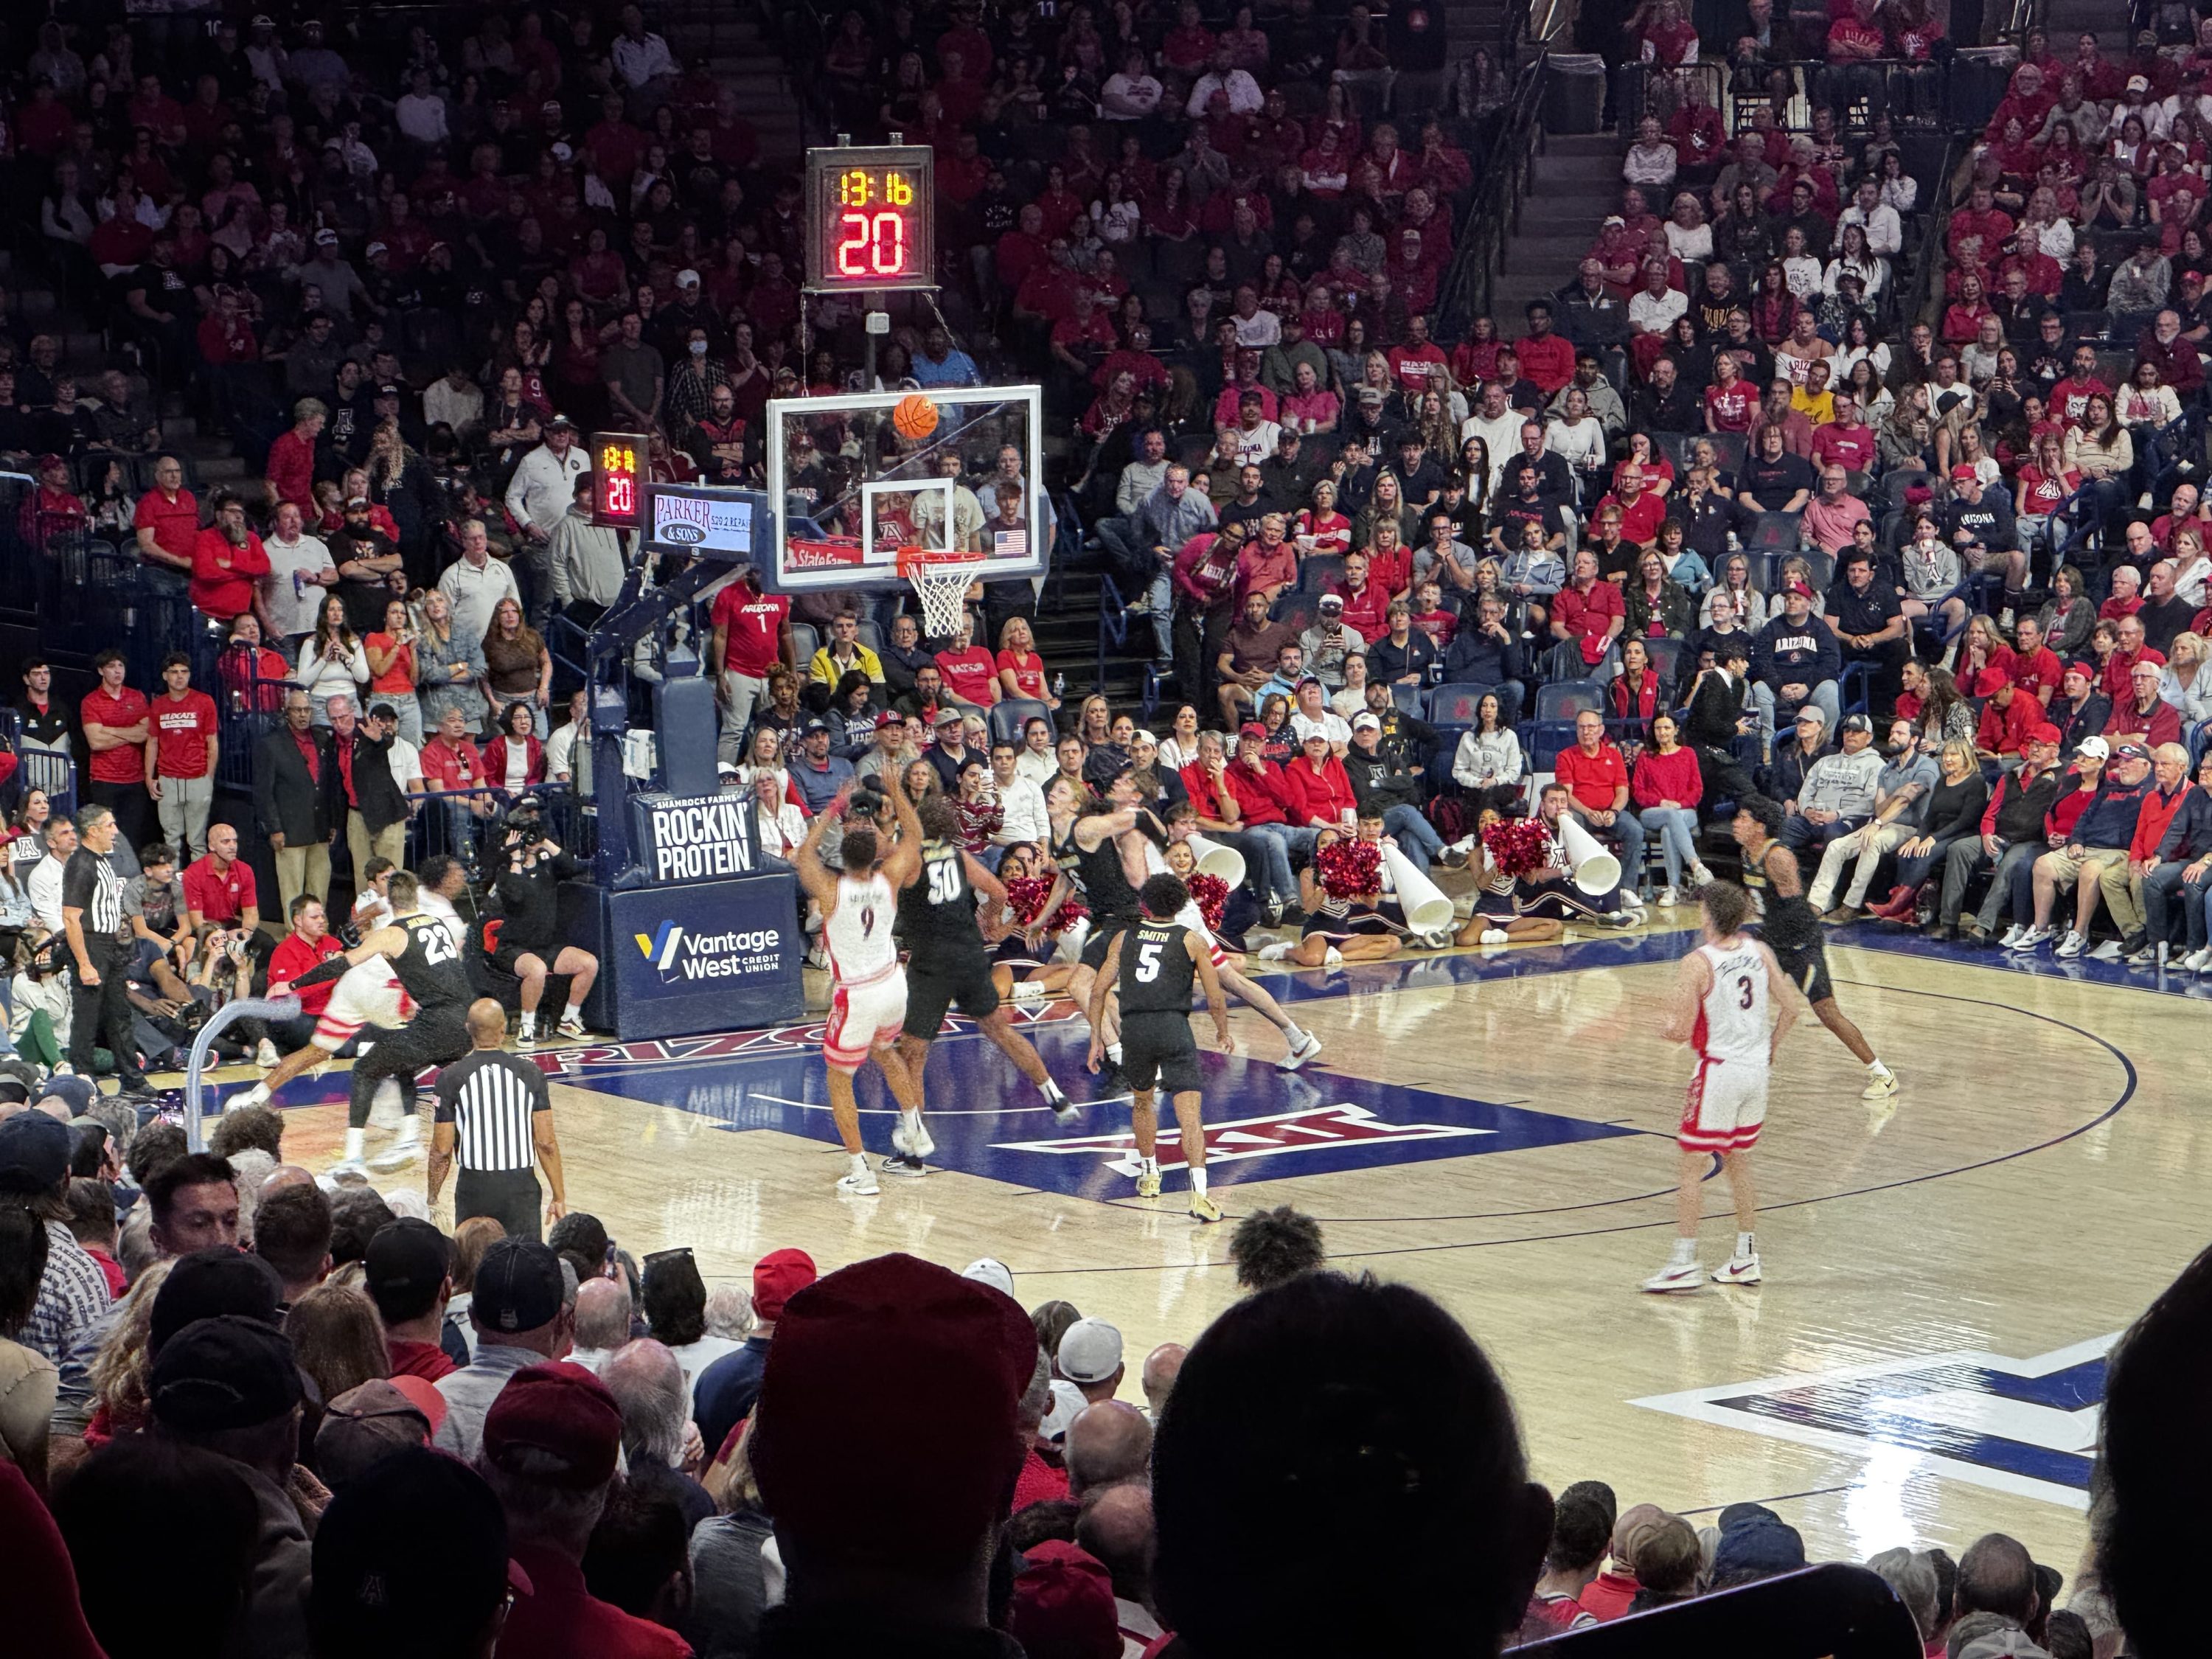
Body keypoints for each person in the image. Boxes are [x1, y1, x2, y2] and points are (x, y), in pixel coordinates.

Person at [893, 791, 1077, 1159]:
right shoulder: (958, 855)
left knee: (914, 1052)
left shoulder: (909, 859)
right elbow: (997, 891)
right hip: (970, 957)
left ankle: (913, 1147)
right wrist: (992, 923)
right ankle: (1054, 1095)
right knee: (999, 1030)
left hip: (932, 963)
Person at [1644, 880, 1801, 1293]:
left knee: (1692, 1166)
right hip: (1756, 1074)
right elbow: (1793, 1007)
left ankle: (1683, 1262)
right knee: (1738, 1162)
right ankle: (1746, 1257)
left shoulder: (1698, 962)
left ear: (1709, 916)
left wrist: (1659, 1026)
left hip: (1719, 1072)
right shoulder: (1759, 951)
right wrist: (1770, 1048)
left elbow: (1679, 1031)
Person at [278, 870, 475, 1175]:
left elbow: (342, 964)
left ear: (390, 901)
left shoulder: (392, 933)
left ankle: (354, 1159)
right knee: (402, 1059)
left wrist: (292, 985)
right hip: (466, 1022)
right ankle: (421, 1140)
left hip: (438, 1023)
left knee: (365, 1069)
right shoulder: (437, 924)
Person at [790, 773, 928, 1197]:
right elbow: (916, 836)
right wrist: (897, 792)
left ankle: (860, 1171)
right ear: (875, 856)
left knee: (839, 1079)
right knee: (885, 1051)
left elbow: (802, 855)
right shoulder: (888, 879)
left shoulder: (831, 890)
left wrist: (833, 809)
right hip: (893, 986)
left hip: (858, 993)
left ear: (842, 855)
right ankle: (914, 1127)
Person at [1733, 793, 1899, 1100]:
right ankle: (1751, 1063)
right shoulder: (1746, 853)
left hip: (1799, 942)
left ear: (1760, 826)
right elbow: (1754, 900)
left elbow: (1796, 908)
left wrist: (1769, 942)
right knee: (1739, 995)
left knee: (1826, 1011)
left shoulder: (1777, 857)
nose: (1736, 823)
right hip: (1773, 939)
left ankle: (1882, 1074)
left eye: (1743, 818)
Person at [1088, 873, 1232, 1222]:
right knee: (1190, 1115)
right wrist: (1222, 1031)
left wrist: (1096, 1037)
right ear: (1182, 904)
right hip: (1173, 1028)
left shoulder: (1124, 938)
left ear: (1144, 904)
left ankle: (1150, 1175)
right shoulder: (1193, 941)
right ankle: (1200, 1195)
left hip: (1136, 1030)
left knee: (1142, 1101)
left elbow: (1097, 991)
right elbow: (1215, 997)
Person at [428, 998, 568, 1243]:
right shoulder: (531, 1074)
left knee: (474, 1265)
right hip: (520, 1188)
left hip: (474, 1188)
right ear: (503, 1029)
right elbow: (546, 1143)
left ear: (468, 1029)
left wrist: (432, 1196)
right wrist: (558, 1196)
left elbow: (441, 1149)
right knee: (523, 1262)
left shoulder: (450, 1077)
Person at [482, 800, 596, 1043]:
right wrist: (514, 857)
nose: (529, 841)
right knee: (537, 969)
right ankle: (527, 1025)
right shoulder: (505, 871)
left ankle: (569, 1019)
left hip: (545, 945)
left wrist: (545, 842)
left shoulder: (547, 866)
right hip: (513, 948)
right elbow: (516, 896)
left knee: (588, 963)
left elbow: (573, 868)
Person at [60, 806, 151, 1096]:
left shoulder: (102, 861)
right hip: (91, 945)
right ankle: (84, 1082)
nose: (115, 831)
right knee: (87, 1018)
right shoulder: (81, 864)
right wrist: (85, 963)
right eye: (110, 826)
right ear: (93, 831)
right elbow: (70, 917)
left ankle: (132, 1080)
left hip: (110, 945)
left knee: (119, 1014)